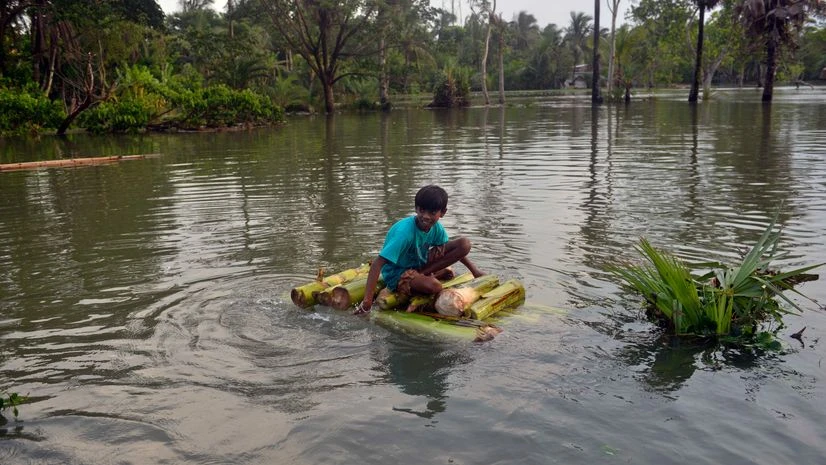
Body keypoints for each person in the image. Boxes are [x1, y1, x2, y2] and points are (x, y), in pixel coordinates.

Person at [354, 185, 484, 314]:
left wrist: (475, 271)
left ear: (442, 213)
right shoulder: (404, 233)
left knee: (464, 244)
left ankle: (424, 274)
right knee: (435, 286)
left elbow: (455, 251)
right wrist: (367, 302)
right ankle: (426, 276)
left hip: (419, 265)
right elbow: (377, 263)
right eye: (422, 211)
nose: (426, 216)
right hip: (399, 273)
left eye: (432, 213)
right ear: (416, 208)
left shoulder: (436, 228)